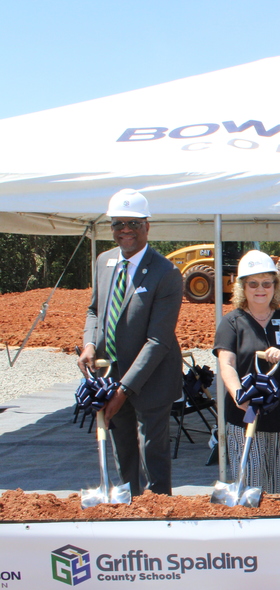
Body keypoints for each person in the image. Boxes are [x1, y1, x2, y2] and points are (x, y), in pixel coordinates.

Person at [78, 189, 183, 496]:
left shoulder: (167, 272)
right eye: (118, 223)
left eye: (133, 223)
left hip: (152, 377)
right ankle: (127, 511)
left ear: (147, 226)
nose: (125, 229)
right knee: (122, 452)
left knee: (153, 455)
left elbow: (158, 340)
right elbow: (94, 310)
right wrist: (88, 345)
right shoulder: (104, 261)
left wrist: (124, 390)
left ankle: (158, 515)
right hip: (109, 374)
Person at [214, 251, 280, 494]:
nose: (261, 289)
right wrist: (240, 395)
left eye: (267, 283)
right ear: (242, 287)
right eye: (253, 283)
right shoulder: (232, 322)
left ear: (275, 285)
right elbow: (226, 364)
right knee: (252, 485)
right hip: (246, 414)